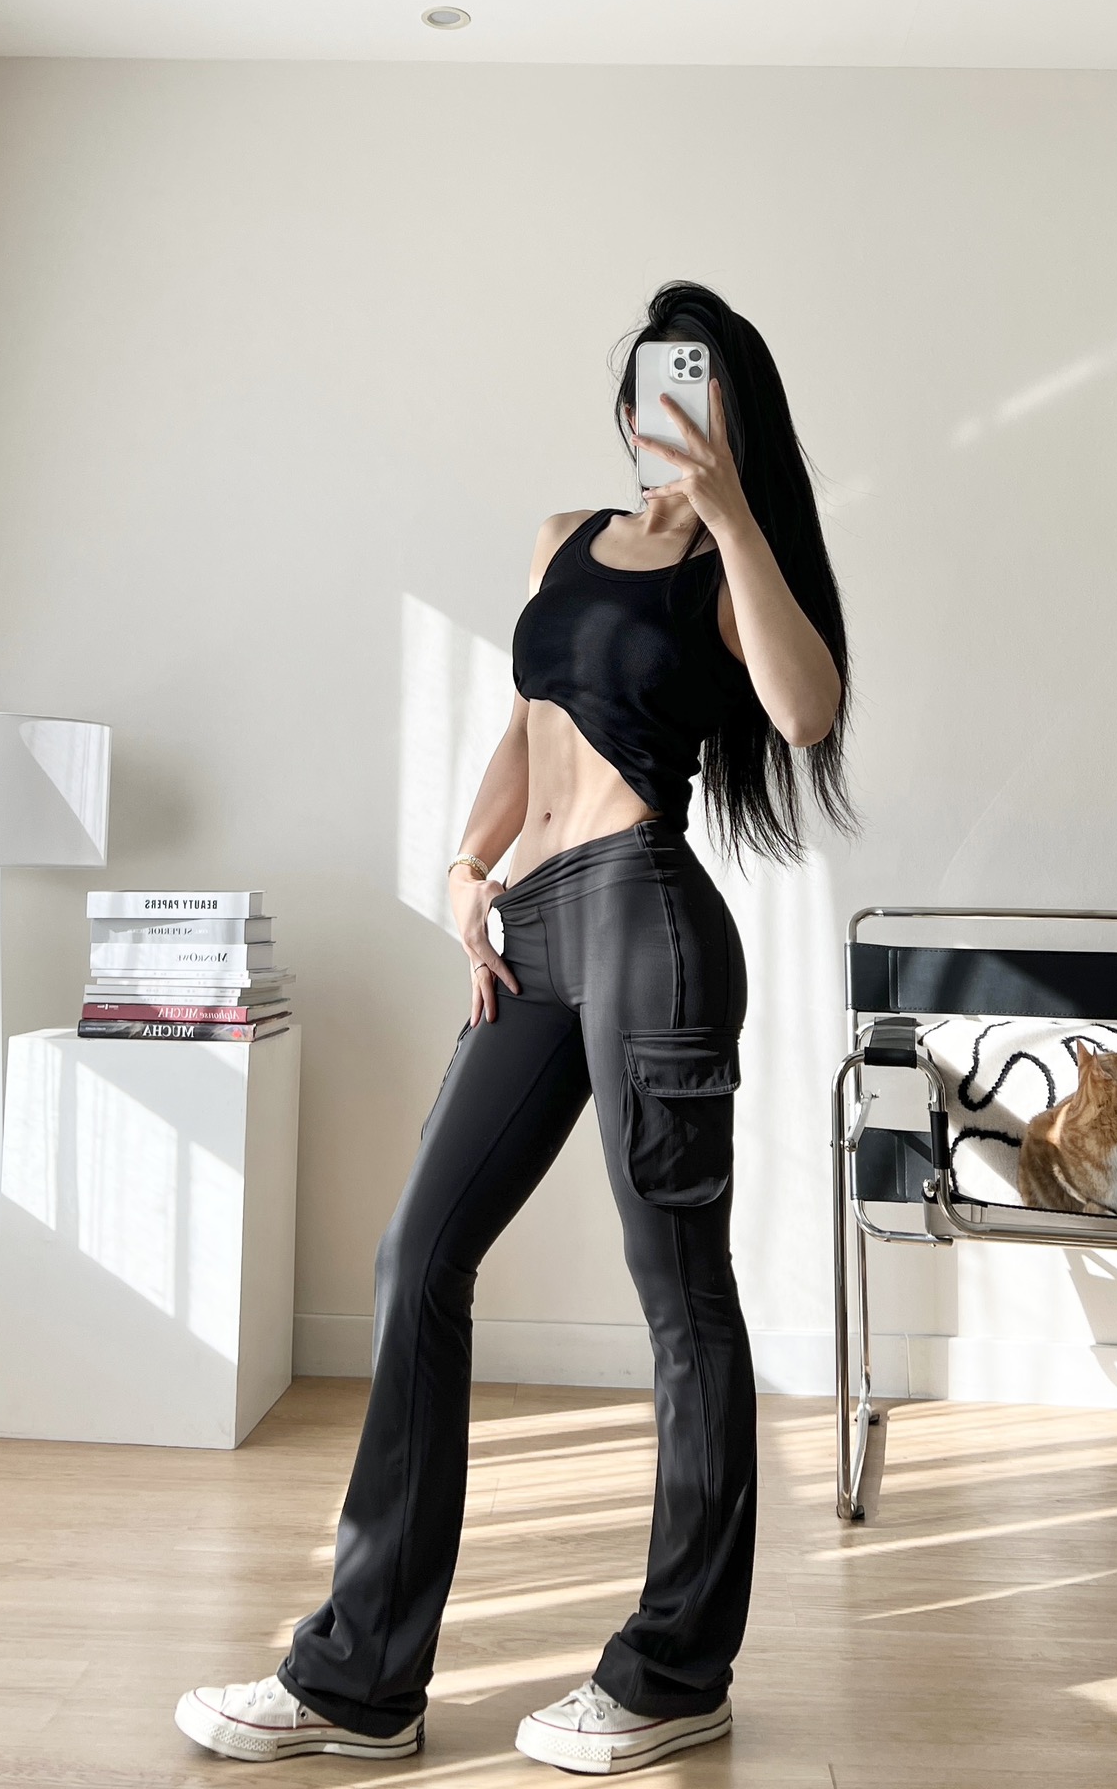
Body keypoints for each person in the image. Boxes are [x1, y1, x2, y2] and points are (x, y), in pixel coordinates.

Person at [175, 281, 852, 1775]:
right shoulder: (562, 541)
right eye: (650, 381)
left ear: (730, 410)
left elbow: (805, 715)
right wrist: (466, 869)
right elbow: (526, 724)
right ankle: (361, 1681)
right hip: (533, 933)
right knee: (416, 1257)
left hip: (649, 926)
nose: (663, 406)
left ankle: (674, 1673)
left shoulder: (734, 569)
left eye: (695, 383)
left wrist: (732, 513)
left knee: (679, 1298)